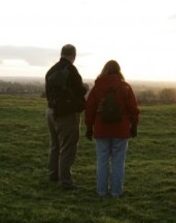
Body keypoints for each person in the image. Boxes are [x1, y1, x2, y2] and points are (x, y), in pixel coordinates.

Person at [84, 60, 139, 198]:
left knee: (102, 161)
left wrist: (89, 127)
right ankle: (116, 192)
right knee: (118, 162)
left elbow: (89, 108)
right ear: (119, 71)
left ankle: (101, 191)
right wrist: (134, 126)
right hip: (121, 130)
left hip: (101, 130)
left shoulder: (97, 88)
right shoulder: (125, 87)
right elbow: (133, 109)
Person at [45, 44, 88, 189]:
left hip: (51, 111)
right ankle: (65, 181)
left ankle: (53, 175)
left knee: (55, 145)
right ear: (73, 56)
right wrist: (86, 87)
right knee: (68, 148)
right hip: (67, 114)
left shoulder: (51, 70)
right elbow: (79, 90)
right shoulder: (71, 70)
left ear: (61, 53)